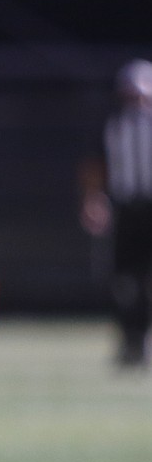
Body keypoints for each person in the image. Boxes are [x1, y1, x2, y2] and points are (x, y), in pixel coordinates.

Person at [79, 59, 152, 367]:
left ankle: (143, 340)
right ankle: (129, 341)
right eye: (131, 96)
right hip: (125, 210)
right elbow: (95, 167)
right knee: (123, 281)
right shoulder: (112, 126)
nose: (137, 103)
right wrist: (93, 200)